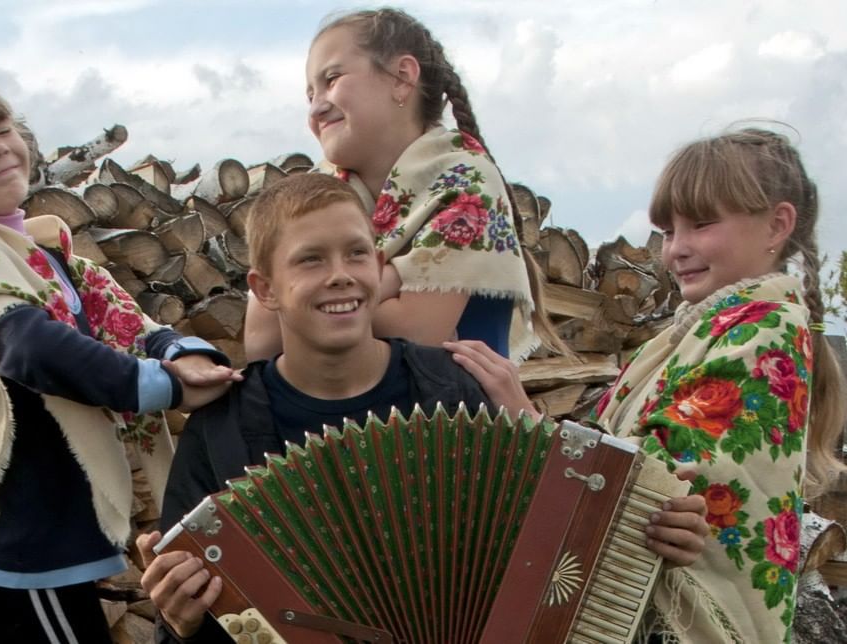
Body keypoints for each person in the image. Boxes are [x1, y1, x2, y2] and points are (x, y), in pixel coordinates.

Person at [138, 173, 707, 643]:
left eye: (357, 253)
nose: (340, 274)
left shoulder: (458, 393)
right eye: (310, 260)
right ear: (265, 289)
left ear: (379, 265)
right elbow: (195, 620)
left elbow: (562, 548)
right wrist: (181, 621)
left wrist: (652, 528)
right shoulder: (220, 433)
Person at [0, 72, 241, 644]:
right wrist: (163, 385)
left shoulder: (32, 248)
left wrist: (185, 349)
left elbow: (121, 316)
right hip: (24, 535)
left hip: (44, 529)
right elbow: (30, 347)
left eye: (2, 130)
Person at [593, 127, 847, 643]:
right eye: (668, 231)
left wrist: (536, 429)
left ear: (776, 225)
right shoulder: (693, 331)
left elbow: (673, 466)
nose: (676, 251)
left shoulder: (767, 331)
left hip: (684, 622)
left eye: (701, 225)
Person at [245, 7, 565, 363]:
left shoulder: (466, 182)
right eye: (309, 95)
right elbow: (260, 339)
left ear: (401, 78)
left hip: (452, 414)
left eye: (332, 79)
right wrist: (392, 280)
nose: (316, 108)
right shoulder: (315, 195)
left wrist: (306, 308)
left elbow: (415, 334)